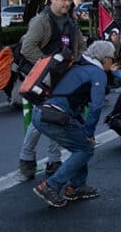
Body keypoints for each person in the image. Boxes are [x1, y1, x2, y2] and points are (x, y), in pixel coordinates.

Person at [30, 40, 113, 208]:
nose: (113, 61)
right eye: (112, 58)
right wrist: (89, 132)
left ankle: (77, 186)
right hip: (55, 116)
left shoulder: (76, 65)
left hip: (42, 112)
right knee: (84, 148)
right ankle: (51, 186)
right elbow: (96, 106)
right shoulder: (97, 73)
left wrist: (83, 128)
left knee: (81, 146)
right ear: (105, 59)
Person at [16, 0, 85, 180]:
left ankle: (52, 160)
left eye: (68, 0)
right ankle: (27, 157)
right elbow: (27, 48)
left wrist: (78, 64)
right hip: (44, 78)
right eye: (63, 0)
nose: (66, 4)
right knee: (42, 116)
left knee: (57, 116)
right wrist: (48, 67)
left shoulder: (71, 22)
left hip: (65, 77)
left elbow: (80, 45)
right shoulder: (41, 21)